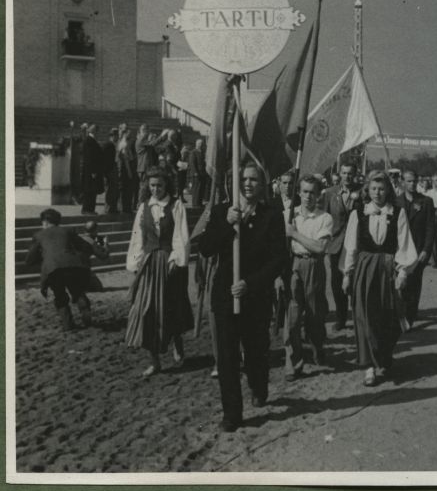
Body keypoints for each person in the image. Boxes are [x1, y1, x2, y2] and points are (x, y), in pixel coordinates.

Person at [198, 162, 288, 432]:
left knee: (256, 352)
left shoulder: (272, 215)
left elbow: (278, 260)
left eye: (254, 180)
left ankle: (259, 387)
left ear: (262, 185)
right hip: (225, 295)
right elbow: (204, 249)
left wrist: (250, 283)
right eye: (244, 179)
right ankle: (232, 414)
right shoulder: (220, 212)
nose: (248, 183)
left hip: (255, 296)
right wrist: (226, 224)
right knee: (226, 357)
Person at [341, 171, 417, 386]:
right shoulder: (358, 212)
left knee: (387, 318)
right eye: (373, 188)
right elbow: (351, 247)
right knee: (364, 316)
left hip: (387, 269)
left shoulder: (398, 213)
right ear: (367, 189)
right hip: (364, 269)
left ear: (388, 190)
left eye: (382, 188)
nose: (377, 193)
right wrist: (347, 274)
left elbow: (404, 244)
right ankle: (368, 367)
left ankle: (383, 355)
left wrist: (402, 273)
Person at [125, 167, 193, 376]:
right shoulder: (144, 207)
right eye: (152, 185)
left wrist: (176, 259)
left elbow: (181, 236)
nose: (155, 189)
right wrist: (135, 263)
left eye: (159, 185)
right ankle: (154, 361)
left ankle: (177, 341)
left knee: (171, 308)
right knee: (145, 312)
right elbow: (137, 237)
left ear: (167, 186)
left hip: (168, 262)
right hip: (148, 264)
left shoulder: (176, 205)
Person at [283, 175, 333, 380]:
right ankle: (293, 363)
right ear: (299, 192)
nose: (307, 196)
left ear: (318, 194)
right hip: (293, 264)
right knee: (292, 318)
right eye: (304, 191)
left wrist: (294, 234)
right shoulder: (289, 215)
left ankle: (317, 345)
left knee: (314, 316)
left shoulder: (324, 218)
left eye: (312, 192)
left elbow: (320, 248)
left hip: (314, 266)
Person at [25, 208, 95, 330]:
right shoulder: (68, 231)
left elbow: (29, 259)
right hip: (74, 265)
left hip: (53, 268)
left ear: (45, 222)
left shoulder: (39, 235)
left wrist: (43, 259)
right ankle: (85, 310)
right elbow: (87, 247)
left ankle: (68, 324)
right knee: (77, 290)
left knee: (60, 295)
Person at [321, 163, 360, 331]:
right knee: (337, 284)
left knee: (356, 281)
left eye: (350, 173)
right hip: (336, 244)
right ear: (340, 174)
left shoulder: (363, 191)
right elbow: (324, 217)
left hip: (357, 244)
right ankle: (341, 317)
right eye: (344, 173)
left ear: (355, 174)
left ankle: (359, 317)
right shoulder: (330, 193)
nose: (347, 176)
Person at [396, 170, 435, 326]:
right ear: (402, 182)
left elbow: (431, 228)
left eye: (414, 181)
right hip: (400, 250)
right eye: (408, 181)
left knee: (413, 285)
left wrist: (426, 249)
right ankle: (400, 315)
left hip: (418, 251)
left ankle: (410, 317)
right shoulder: (395, 201)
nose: (412, 184)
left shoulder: (426, 201)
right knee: (400, 283)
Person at [78, 219, 111, 293]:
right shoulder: (91, 242)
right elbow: (103, 257)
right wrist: (106, 244)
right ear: (95, 231)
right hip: (82, 270)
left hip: (70, 269)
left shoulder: (78, 237)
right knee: (98, 287)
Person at [81, 124, 104, 215]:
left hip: (92, 170)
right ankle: (87, 209)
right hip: (91, 171)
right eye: (95, 129)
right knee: (89, 190)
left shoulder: (92, 140)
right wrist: (93, 171)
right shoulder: (89, 140)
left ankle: (90, 209)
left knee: (92, 190)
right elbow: (90, 157)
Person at [117, 126, 136, 214]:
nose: (132, 139)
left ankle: (127, 207)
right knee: (126, 190)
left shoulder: (125, 144)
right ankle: (125, 208)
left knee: (127, 190)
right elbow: (126, 161)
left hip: (127, 169)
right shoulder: (124, 145)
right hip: (125, 170)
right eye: (130, 137)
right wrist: (129, 173)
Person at [102, 128, 120, 214]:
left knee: (114, 189)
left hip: (114, 167)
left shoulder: (114, 145)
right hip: (110, 169)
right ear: (111, 136)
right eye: (115, 136)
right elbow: (105, 159)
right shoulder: (108, 145)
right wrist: (106, 171)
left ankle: (113, 208)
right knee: (109, 190)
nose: (116, 137)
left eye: (117, 135)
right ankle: (108, 208)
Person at [189, 138, 207, 206]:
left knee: (201, 190)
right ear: (198, 145)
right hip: (196, 175)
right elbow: (192, 163)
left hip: (202, 174)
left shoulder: (202, 153)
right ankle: (195, 204)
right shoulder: (193, 152)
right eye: (202, 144)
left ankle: (199, 203)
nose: (203, 146)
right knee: (196, 190)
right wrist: (195, 172)